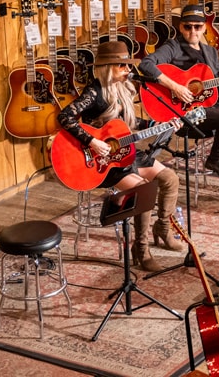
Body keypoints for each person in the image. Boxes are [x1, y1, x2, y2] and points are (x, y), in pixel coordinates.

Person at [57, 41, 183, 271]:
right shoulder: (94, 92)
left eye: (128, 65)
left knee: (170, 178)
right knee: (145, 191)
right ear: (108, 67)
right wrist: (92, 141)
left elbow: (131, 124)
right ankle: (140, 250)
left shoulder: (124, 89)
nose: (128, 70)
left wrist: (160, 125)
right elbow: (65, 117)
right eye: (123, 66)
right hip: (101, 162)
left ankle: (163, 229)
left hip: (126, 153)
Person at [139, 5, 219, 194]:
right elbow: (146, 64)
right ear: (181, 27)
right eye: (188, 27)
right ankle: (215, 159)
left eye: (197, 27)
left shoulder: (210, 52)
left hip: (209, 106)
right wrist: (176, 87)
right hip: (184, 112)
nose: (192, 31)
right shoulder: (173, 47)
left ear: (204, 28)